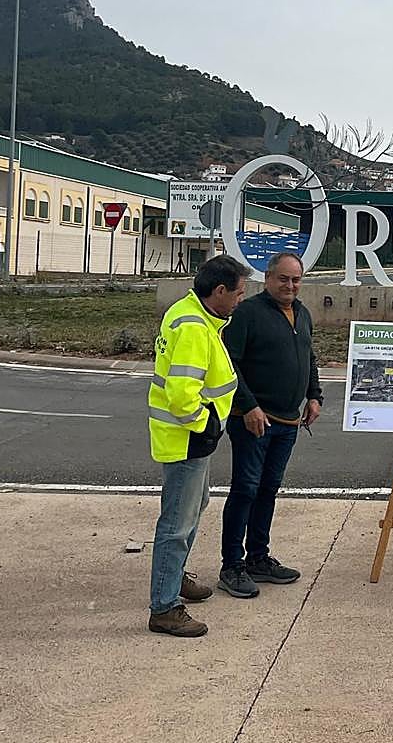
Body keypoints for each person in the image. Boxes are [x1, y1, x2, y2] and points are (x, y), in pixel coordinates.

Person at [147, 254, 249, 637]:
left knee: (192, 509)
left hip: (191, 437)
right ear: (219, 291)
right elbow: (181, 393)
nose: (241, 299)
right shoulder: (193, 327)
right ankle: (164, 606)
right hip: (187, 437)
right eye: (238, 293)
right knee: (176, 523)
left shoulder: (195, 313)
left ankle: (174, 580)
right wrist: (204, 423)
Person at [217, 251, 322, 599]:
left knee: (268, 490)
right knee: (245, 489)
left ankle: (258, 558)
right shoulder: (247, 313)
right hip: (253, 421)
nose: (290, 286)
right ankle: (232, 565)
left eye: (296, 280)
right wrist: (248, 406)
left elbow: (309, 356)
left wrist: (313, 395)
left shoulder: (302, 313)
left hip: (288, 422)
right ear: (269, 278)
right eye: (283, 279)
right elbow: (229, 364)